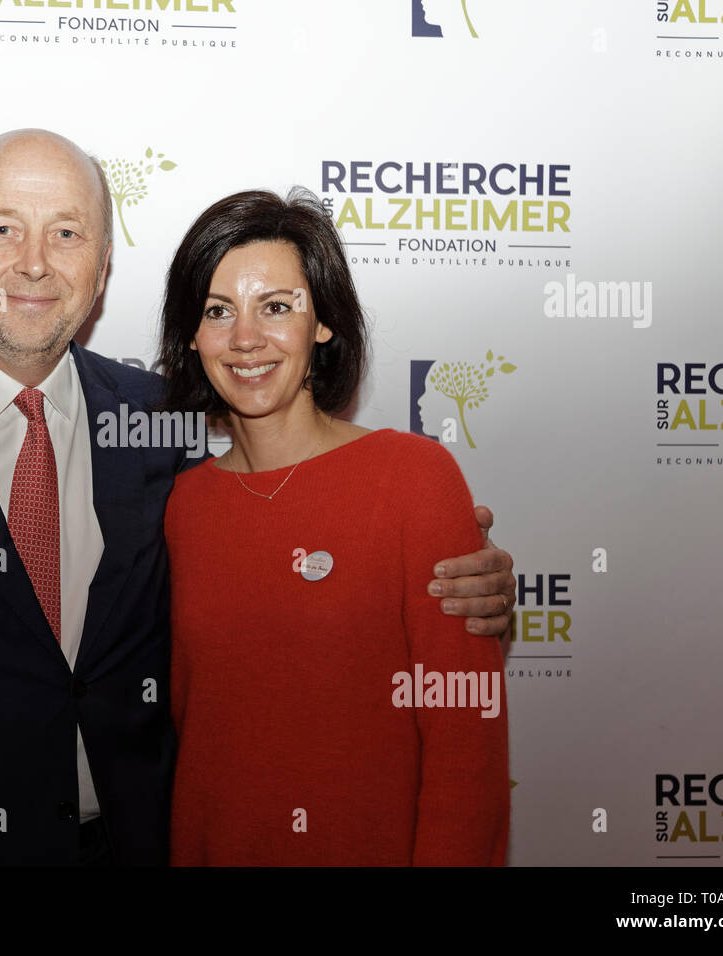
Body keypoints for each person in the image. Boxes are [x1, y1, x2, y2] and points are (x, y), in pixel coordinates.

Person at [0, 129, 515, 866]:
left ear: (105, 266)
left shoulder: (160, 426)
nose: (36, 264)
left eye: (68, 234)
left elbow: (302, 547)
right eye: (4, 229)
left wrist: (459, 571)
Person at [160, 188, 509, 865]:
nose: (246, 339)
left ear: (322, 322)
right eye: (217, 310)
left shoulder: (412, 478)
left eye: (277, 307)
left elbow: (467, 748)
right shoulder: (181, 507)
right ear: (192, 336)